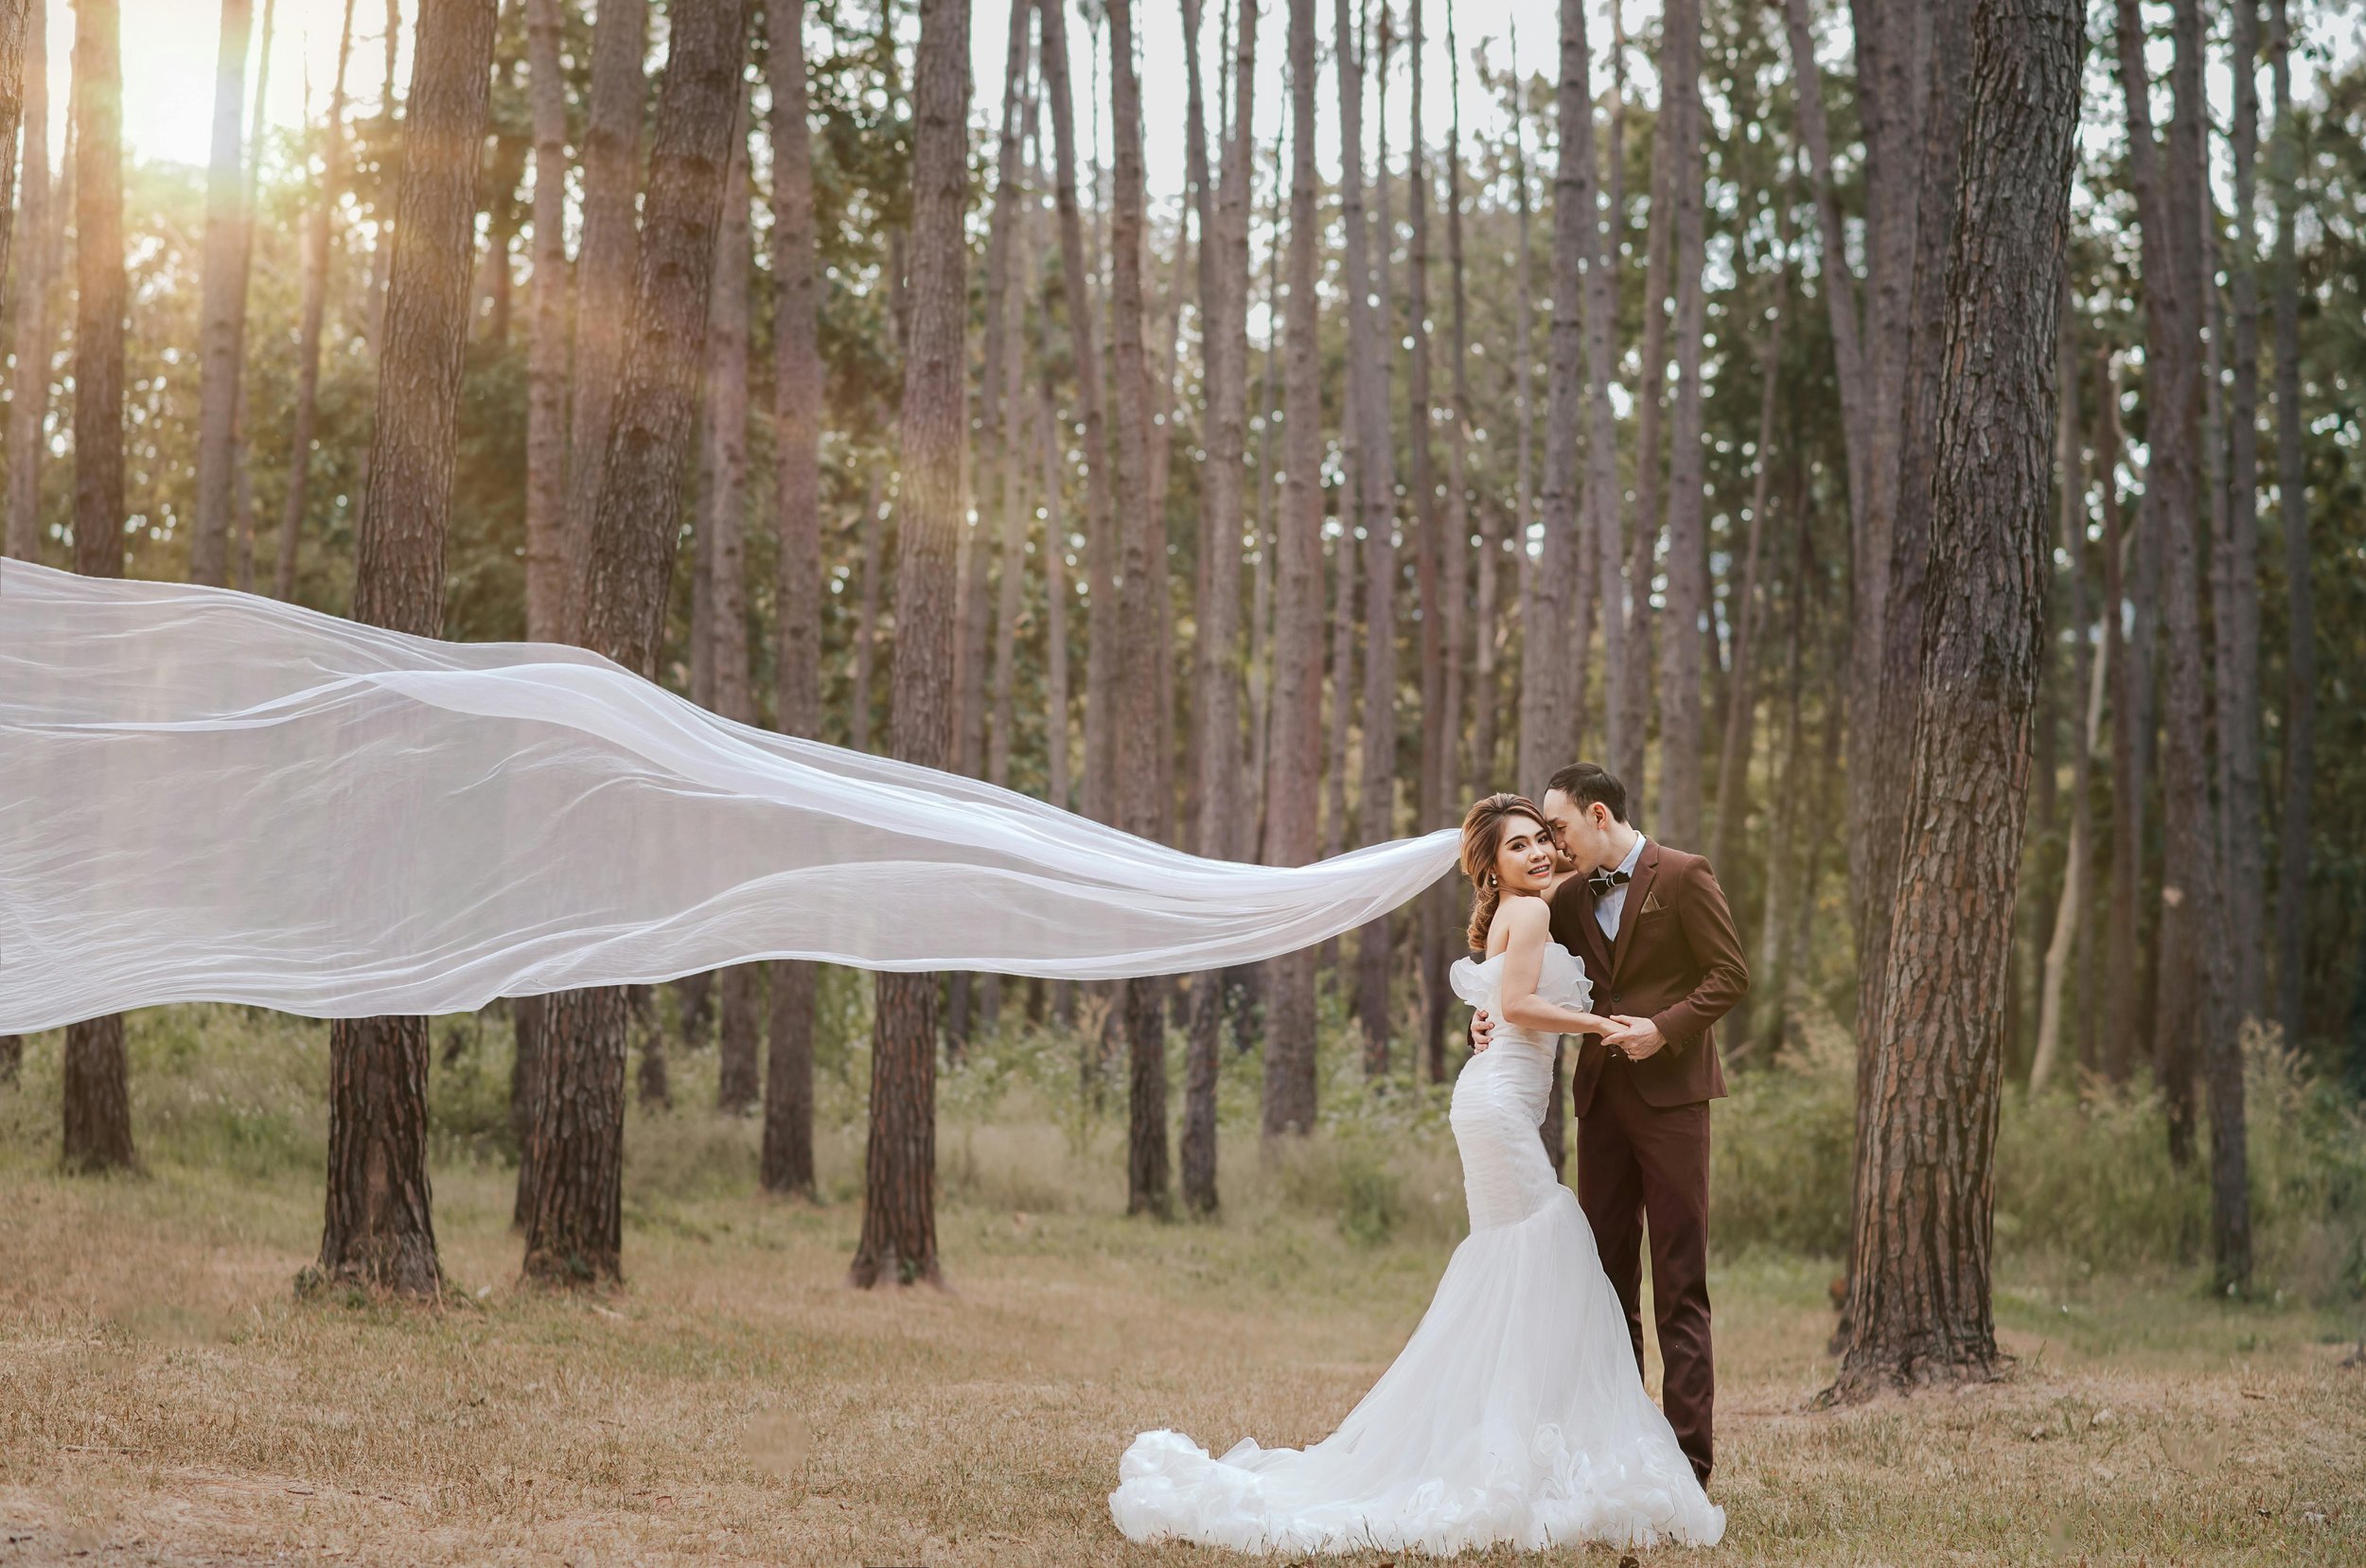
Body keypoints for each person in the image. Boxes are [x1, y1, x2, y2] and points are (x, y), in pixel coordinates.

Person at [1107, 794, 1724, 1554]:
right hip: (1500, 1106)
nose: (1538, 852)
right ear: (1491, 866)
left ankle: (1514, 1438)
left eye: (1542, 839)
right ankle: (1528, 1447)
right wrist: (1598, 1023)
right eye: (1521, 846)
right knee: (1549, 1248)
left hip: (1494, 1098)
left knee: (1514, 1266)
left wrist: (1496, 1016)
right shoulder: (1531, 913)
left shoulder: (1536, 905)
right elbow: (1525, 1002)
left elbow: (1509, 994)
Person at [1471, 762, 1748, 1488]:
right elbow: (1514, 970)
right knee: (1606, 1285)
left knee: (1679, 1284)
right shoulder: (1557, 899)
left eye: (1557, 830)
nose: (1551, 848)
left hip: (1675, 1102)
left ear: (1598, 815)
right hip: (1599, 1105)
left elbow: (1729, 975)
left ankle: (1688, 1466)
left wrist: (1662, 1028)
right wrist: (1487, 1011)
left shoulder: (1684, 875)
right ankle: (1622, 1449)